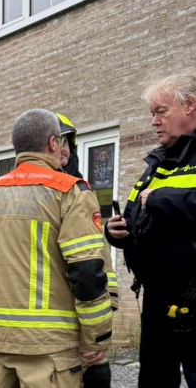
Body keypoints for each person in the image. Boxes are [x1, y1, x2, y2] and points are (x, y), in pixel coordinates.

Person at [0, 109, 112, 388]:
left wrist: (1, 278)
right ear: (52, 143)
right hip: (49, 348)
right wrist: (95, 338)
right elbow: (87, 273)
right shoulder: (70, 192)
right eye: (63, 142)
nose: (64, 148)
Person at [105, 73, 196, 387]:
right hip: (157, 299)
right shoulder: (155, 164)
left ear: (190, 106)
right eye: (151, 114)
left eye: (161, 111)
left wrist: (161, 198)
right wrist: (117, 232)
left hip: (194, 296)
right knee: (154, 379)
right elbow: (135, 219)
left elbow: (161, 203)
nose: (154, 121)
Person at [55, 113, 119, 388]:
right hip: (56, 323)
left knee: (97, 373)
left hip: (86, 314)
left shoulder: (81, 190)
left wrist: (110, 301)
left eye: (68, 141)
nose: (64, 149)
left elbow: (98, 260)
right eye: (58, 141)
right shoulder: (40, 192)